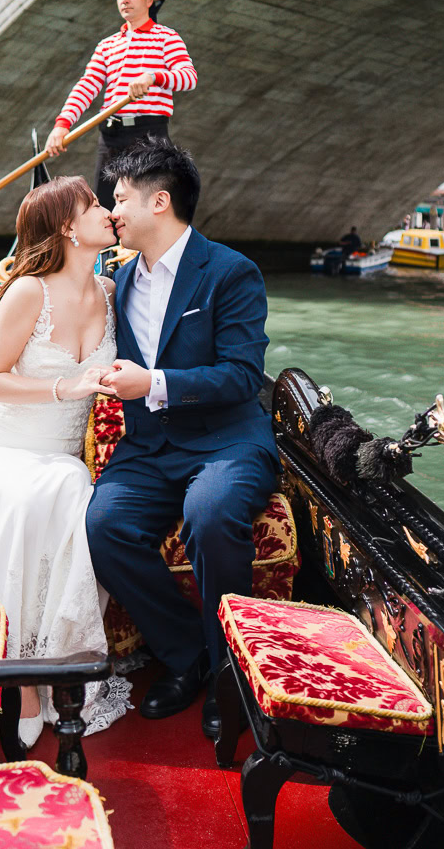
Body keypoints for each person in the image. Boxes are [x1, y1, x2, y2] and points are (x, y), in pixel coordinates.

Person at [86, 139, 274, 743]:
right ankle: (187, 654)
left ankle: (229, 673)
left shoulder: (230, 272)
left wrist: (155, 382)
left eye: (119, 199)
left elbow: (244, 375)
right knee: (104, 524)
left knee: (211, 510)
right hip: (148, 448)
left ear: (159, 202)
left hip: (226, 442)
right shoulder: (116, 278)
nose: (112, 211)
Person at [0, 175, 133, 748]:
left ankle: (55, 664)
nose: (106, 211)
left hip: (53, 457)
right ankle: (24, 678)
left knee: (69, 485)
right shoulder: (28, 291)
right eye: (94, 205)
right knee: (50, 491)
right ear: (69, 228)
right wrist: (66, 388)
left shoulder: (111, 293)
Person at [44, 0, 198, 209]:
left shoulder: (167, 37)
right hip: (111, 134)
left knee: (148, 203)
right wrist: (62, 125)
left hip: (149, 134)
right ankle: (112, 247)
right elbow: (87, 85)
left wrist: (152, 77)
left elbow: (188, 78)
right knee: (106, 204)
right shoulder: (107, 45)